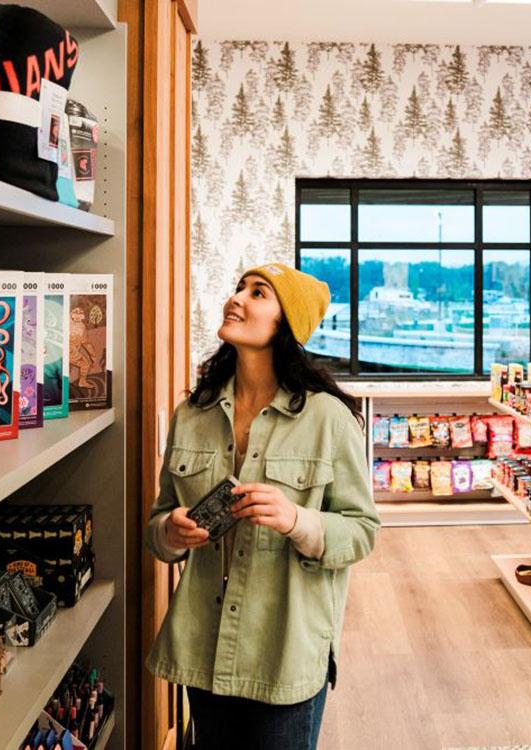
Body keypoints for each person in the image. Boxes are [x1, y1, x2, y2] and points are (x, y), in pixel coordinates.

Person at [144, 263, 379, 749]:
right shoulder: (193, 414)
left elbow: (362, 531)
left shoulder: (329, 418)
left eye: (258, 293)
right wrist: (172, 530)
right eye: (238, 288)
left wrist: (297, 520)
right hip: (201, 647)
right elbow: (158, 523)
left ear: (286, 324)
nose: (237, 299)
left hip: (285, 652)